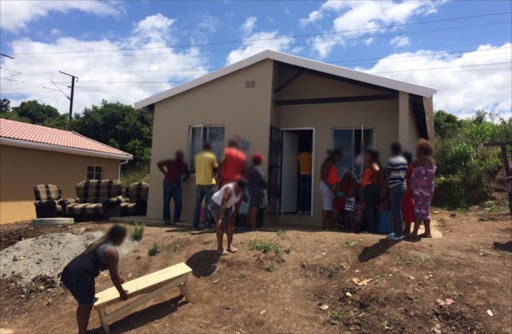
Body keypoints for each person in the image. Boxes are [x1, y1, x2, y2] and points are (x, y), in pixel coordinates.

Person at [61, 225, 128, 334]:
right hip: (81, 276)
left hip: (68, 273)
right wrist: (121, 293)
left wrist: (119, 278)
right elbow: (113, 275)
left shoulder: (99, 243)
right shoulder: (112, 251)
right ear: (119, 238)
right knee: (86, 306)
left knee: (83, 304)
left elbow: (98, 263)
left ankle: (82, 331)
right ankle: (83, 332)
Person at [209, 178, 249, 255]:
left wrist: (233, 216)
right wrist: (220, 219)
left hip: (229, 205)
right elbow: (223, 204)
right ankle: (220, 248)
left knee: (230, 224)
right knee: (222, 225)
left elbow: (237, 205)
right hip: (217, 204)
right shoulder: (229, 189)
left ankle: (230, 246)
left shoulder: (241, 192)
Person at [409, 139, 437, 239]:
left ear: (421, 150)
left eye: (418, 149)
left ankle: (415, 232)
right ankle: (427, 232)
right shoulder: (428, 159)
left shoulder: (424, 159)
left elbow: (413, 164)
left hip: (422, 190)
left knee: (419, 209)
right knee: (425, 209)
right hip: (425, 189)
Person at [157, 151, 190, 224]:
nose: (180, 157)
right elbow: (159, 164)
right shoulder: (170, 162)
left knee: (179, 201)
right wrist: (164, 173)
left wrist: (184, 177)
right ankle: (166, 219)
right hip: (168, 183)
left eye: (181, 156)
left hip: (177, 184)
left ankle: (176, 218)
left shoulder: (183, 165)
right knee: (166, 201)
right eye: (178, 156)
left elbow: (188, 173)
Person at [385, 143, 408, 241]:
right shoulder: (404, 160)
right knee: (397, 209)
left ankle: (398, 234)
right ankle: (397, 232)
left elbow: (387, 173)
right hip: (403, 186)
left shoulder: (392, 160)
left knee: (396, 210)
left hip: (395, 186)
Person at [193, 143, 218, 230]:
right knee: (208, 203)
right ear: (209, 148)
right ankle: (206, 225)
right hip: (208, 182)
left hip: (199, 182)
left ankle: (194, 225)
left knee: (197, 204)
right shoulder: (211, 156)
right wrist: (214, 175)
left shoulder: (198, 157)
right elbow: (215, 168)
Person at [320, 150, 342, 229]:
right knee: (326, 207)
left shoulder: (331, 164)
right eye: (338, 157)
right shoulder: (328, 163)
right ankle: (324, 226)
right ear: (334, 156)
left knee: (329, 207)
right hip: (327, 186)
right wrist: (330, 187)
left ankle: (329, 225)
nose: (339, 158)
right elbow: (324, 176)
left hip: (330, 186)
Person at [362, 150, 381, 233]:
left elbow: (376, 170)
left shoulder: (372, 163)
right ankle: (372, 228)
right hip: (370, 187)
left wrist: (371, 178)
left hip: (370, 187)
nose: (365, 157)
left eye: (367, 155)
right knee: (372, 208)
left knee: (370, 208)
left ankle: (371, 229)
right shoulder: (369, 164)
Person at [248, 153, 268, 231]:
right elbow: (262, 180)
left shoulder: (252, 168)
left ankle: (252, 225)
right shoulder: (256, 169)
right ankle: (253, 226)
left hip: (253, 189)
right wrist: (267, 184)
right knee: (254, 208)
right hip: (257, 190)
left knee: (253, 208)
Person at [401, 151, 415, 235]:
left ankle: (407, 229)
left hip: (405, 190)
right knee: (408, 210)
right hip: (409, 190)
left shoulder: (405, 168)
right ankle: (407, 228)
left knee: (406, 210)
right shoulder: (411, 167)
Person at [297, 148, 313, 214]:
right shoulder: (310, 155)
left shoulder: (299, 156)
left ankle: (300, 209)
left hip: (301, 174)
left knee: (301, 193)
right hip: (308, 175)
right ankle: (307, 210)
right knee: (308, 193)